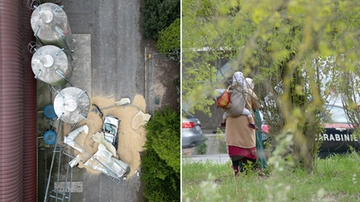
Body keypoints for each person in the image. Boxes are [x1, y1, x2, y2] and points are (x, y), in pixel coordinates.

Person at [225, 73, 260, 176]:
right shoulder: (248, 92)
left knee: (234, 146)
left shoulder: (229, 91)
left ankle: (236, 171)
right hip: (245, 122)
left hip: (231, 122)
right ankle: (249, 171)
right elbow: (257, 105)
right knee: (248, 145)